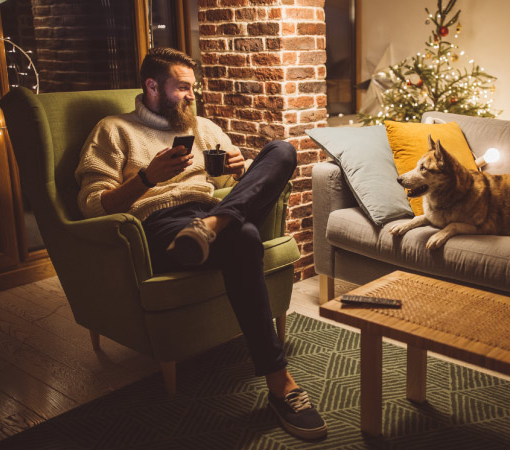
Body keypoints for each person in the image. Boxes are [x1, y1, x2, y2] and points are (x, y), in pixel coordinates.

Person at [75, 47, 327, 440]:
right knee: (243, 236)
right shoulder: (114, 129)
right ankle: (281, 383)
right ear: (153, 86)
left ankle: (212, 226)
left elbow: (227, 180)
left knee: (283, 150)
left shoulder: (203, 127)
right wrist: (147, 177)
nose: (193, 95)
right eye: (184, 87)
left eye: (194, 88)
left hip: (212, 209)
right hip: (160, 224)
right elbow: (92, 204)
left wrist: (237, 169)